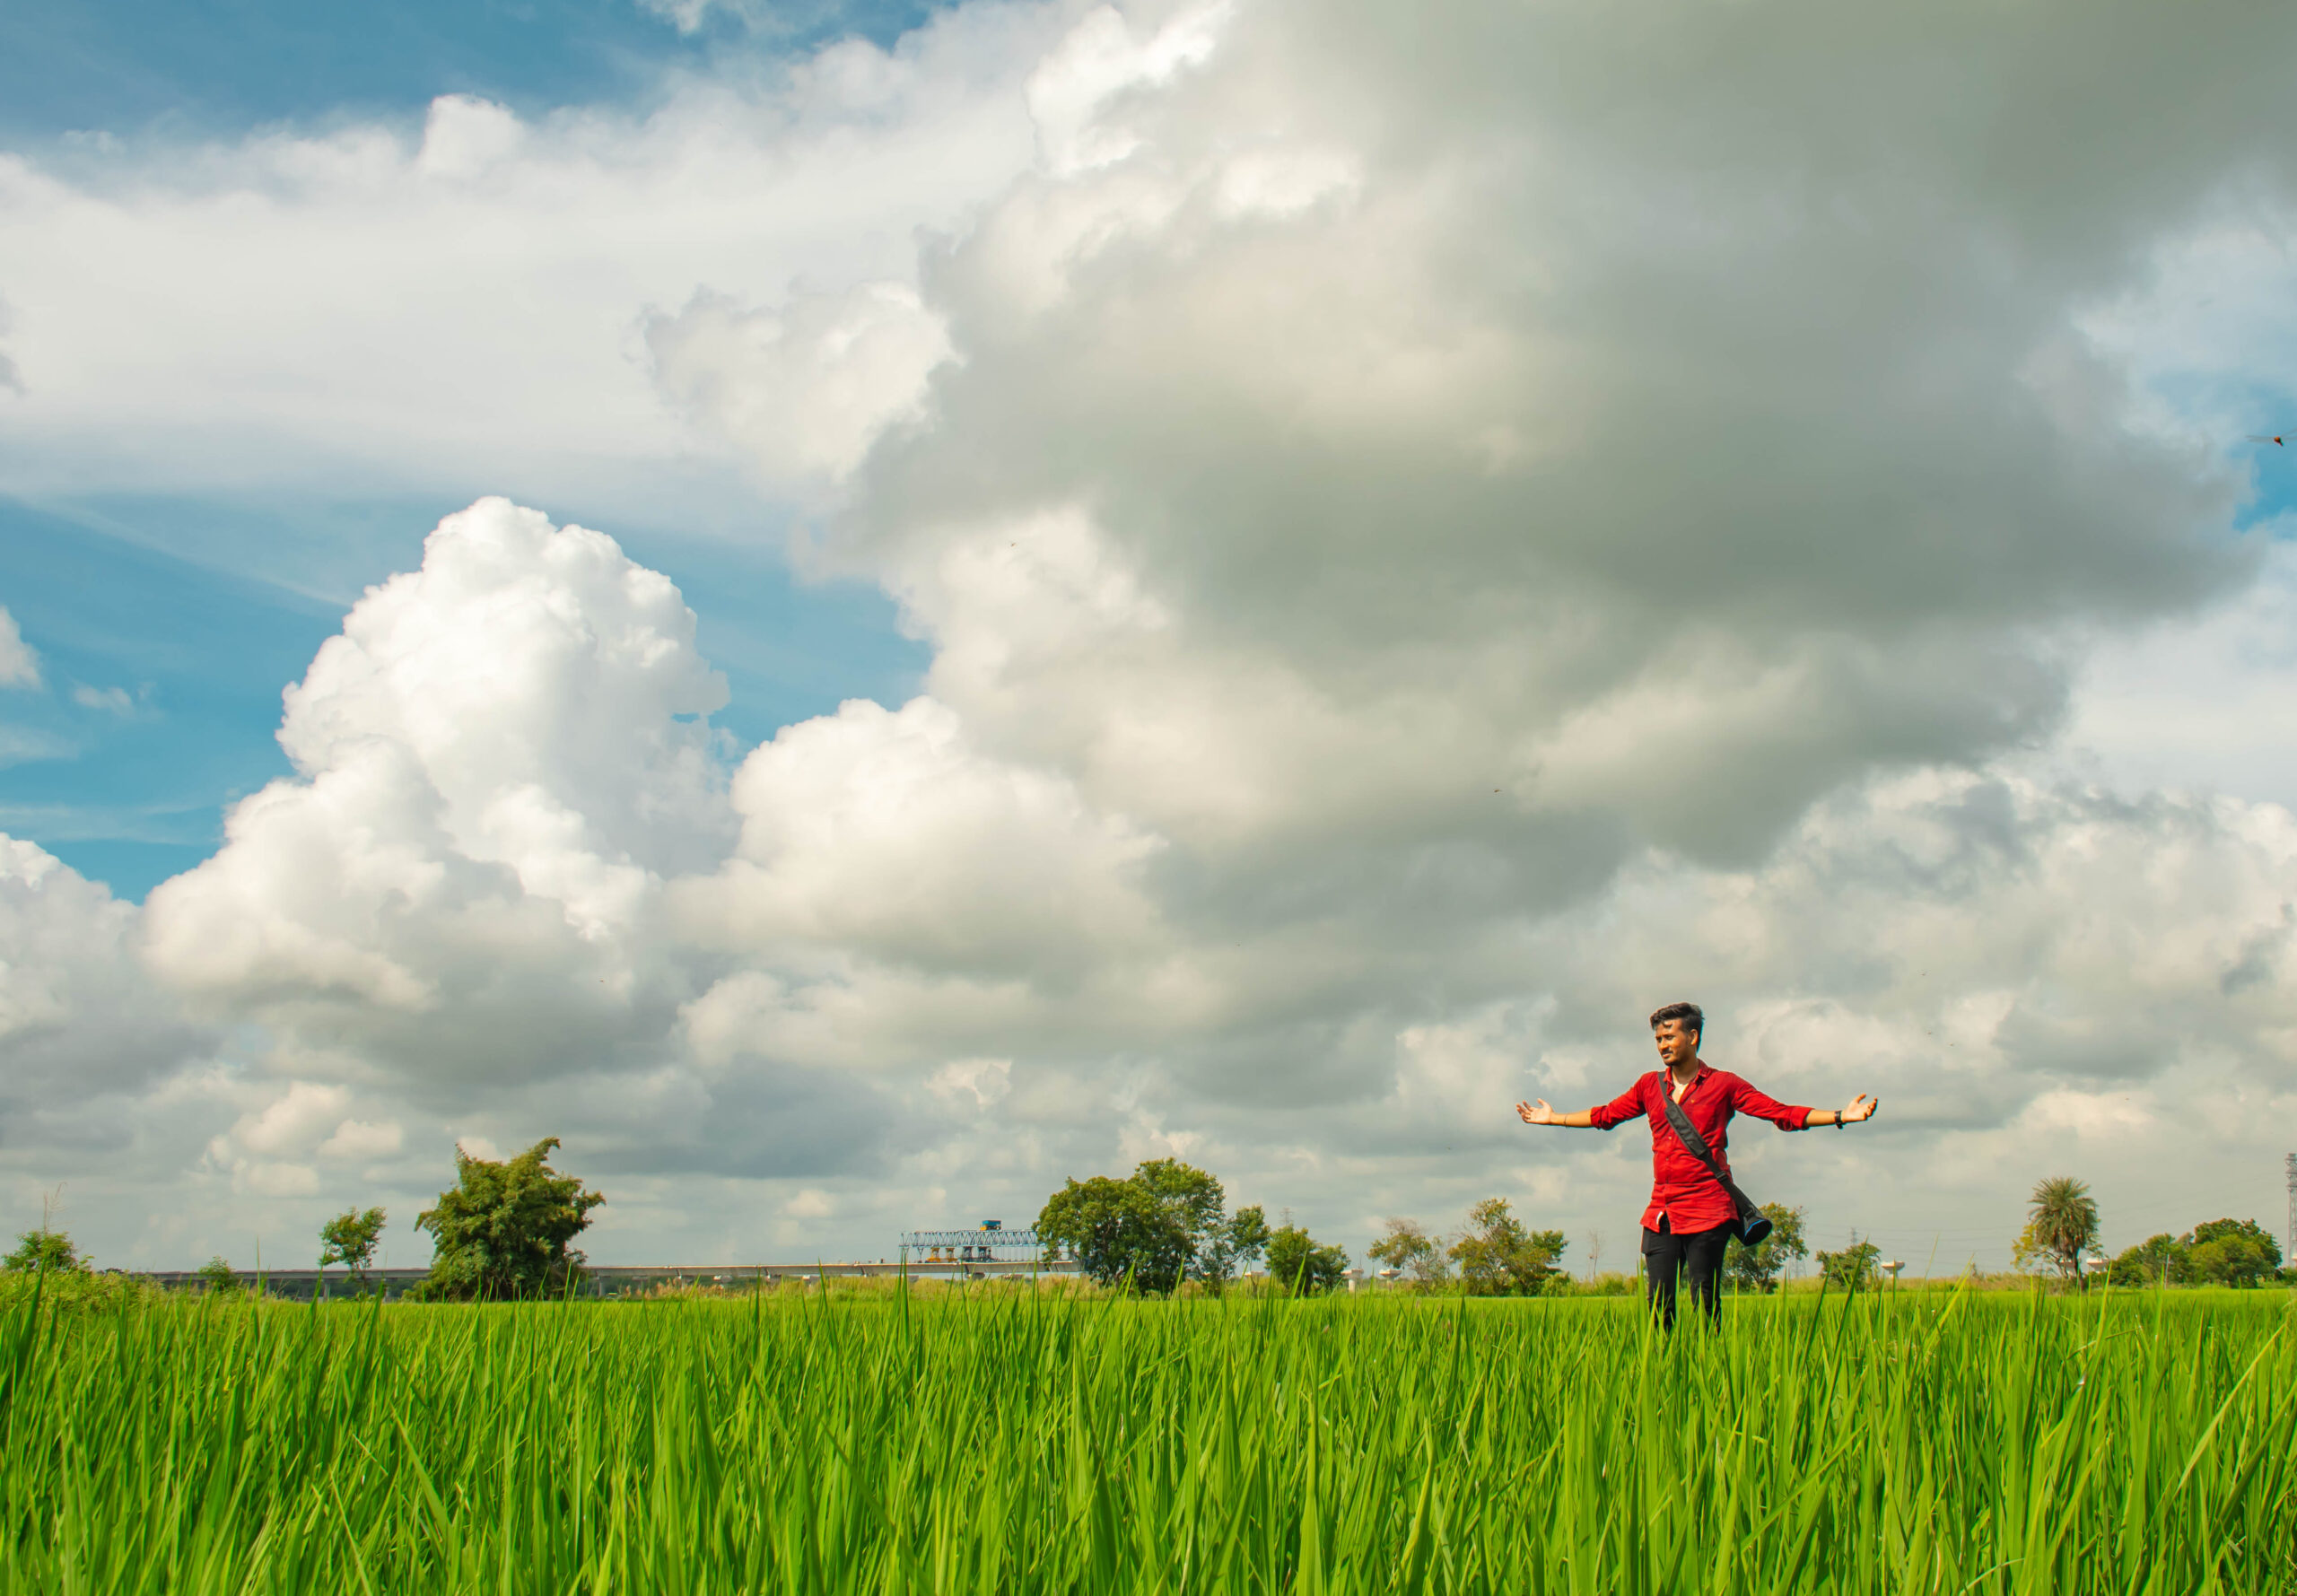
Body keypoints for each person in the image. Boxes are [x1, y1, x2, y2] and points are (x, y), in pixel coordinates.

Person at [1515, 1001, 1877, 1327]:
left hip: (1709, 1209)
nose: (1662, 1045)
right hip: (1662, 1212)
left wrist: (1840, 1115)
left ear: (1692, 1036)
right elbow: (1606, 1115)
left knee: (1704, 1303)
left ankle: (1709, 1371)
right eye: (1658, 1039)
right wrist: (1554, 1118)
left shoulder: (1723, 1084)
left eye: (1669, 1036)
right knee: (1659, 1306)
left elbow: (1780, 1113)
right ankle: (1663, 1374)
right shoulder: (1649, 1086)